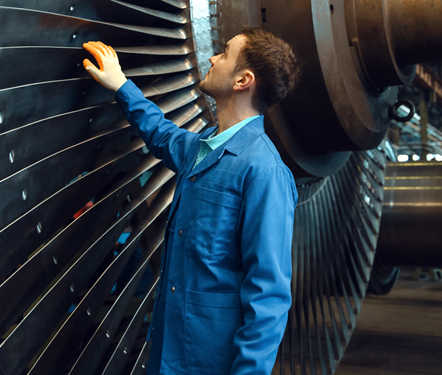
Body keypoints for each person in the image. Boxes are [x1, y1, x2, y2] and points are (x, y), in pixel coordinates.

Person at [82, 27, 300, 374]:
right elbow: (162, 134)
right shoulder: (203, 148)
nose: (213, 58)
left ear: (243, 80)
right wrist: (121, 84)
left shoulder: (264, 172)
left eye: (224, 53)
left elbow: (268, 294)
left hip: (208, 361)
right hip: (169, 348)